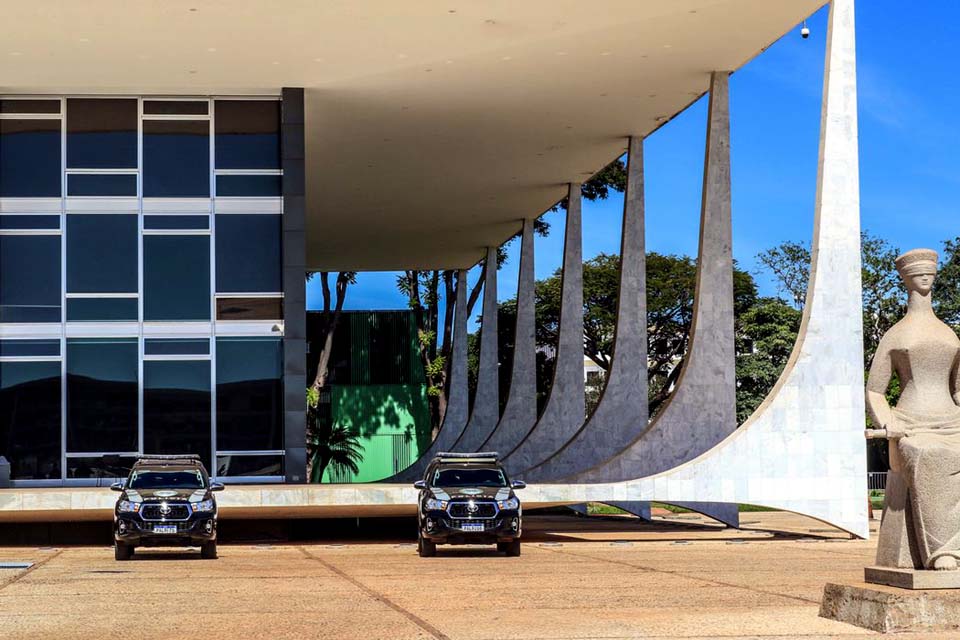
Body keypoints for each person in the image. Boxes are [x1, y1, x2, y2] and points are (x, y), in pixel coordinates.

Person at [866, 248, 960, 571]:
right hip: (912, 426)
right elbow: (875, 391)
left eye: (930, 271)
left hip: (952, 420)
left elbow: (958, 389)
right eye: (917, 272)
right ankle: (944, 550)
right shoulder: (895, 335)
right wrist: (887, 421)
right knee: (932, 456)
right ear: (906, 279)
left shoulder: (949, 334)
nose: (925, 276)